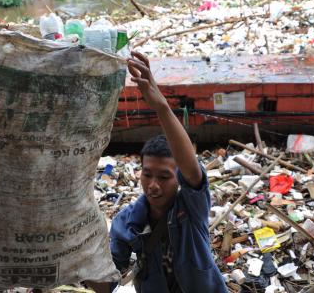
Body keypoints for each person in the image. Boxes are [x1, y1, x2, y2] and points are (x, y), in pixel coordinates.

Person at [87, 51, 228, 293]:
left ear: (178, 178)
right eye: (147, 174)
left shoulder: (191, 209)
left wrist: (161, 106)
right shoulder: (128, 222)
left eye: (164, 177)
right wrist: (79, 262)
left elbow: (192, 170)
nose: (153, 185)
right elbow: (107, 284)